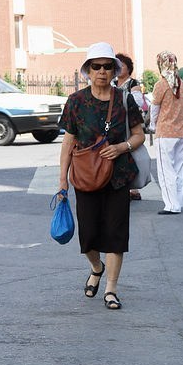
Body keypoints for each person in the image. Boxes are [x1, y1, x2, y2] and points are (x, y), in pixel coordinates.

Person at [58, 42, 145, 311]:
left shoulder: (123, 99)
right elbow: (68, 143)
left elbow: (139, 134)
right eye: (96, 67)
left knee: (116, 234)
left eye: (108, 67)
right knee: (88, 236)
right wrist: (62, 181)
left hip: (118, 176)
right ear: (87, 70)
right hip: (85, 177)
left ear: (115, 71)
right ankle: (96, 267)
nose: (102, 72)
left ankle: (111, 289)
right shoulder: (76, 102)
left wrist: (122, 147)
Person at [150, 51, 183, 215]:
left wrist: (153, 125)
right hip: (182, 132)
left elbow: (154, 109)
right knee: (178, 169)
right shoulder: (182, 83)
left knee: (166, 171)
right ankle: (178, 202)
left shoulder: (161, 84)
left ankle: (171, 205)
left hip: (166, 132)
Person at [115, 53, 146, 201]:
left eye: (123, 65)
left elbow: (139, 101)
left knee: (130, 151)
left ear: (129, 68)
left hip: (129, 123)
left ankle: (133, 188)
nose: (120, 68)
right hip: (116, 123)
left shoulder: (133, 83)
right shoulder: (113, 84)